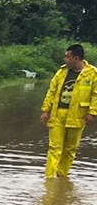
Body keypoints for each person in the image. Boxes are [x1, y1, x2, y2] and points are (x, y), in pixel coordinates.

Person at [41, 44, 96, 179]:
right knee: (54, 148)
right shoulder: (61, 72)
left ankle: (61, 176)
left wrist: (92, 113)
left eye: (67, 57)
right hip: (58, 113)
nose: (65, 59)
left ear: (76, 58)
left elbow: (95, 95)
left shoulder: (92, 74)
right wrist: (45, 110)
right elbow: (51, 92)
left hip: (78, 115)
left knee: (70, 149)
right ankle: (49, 178)